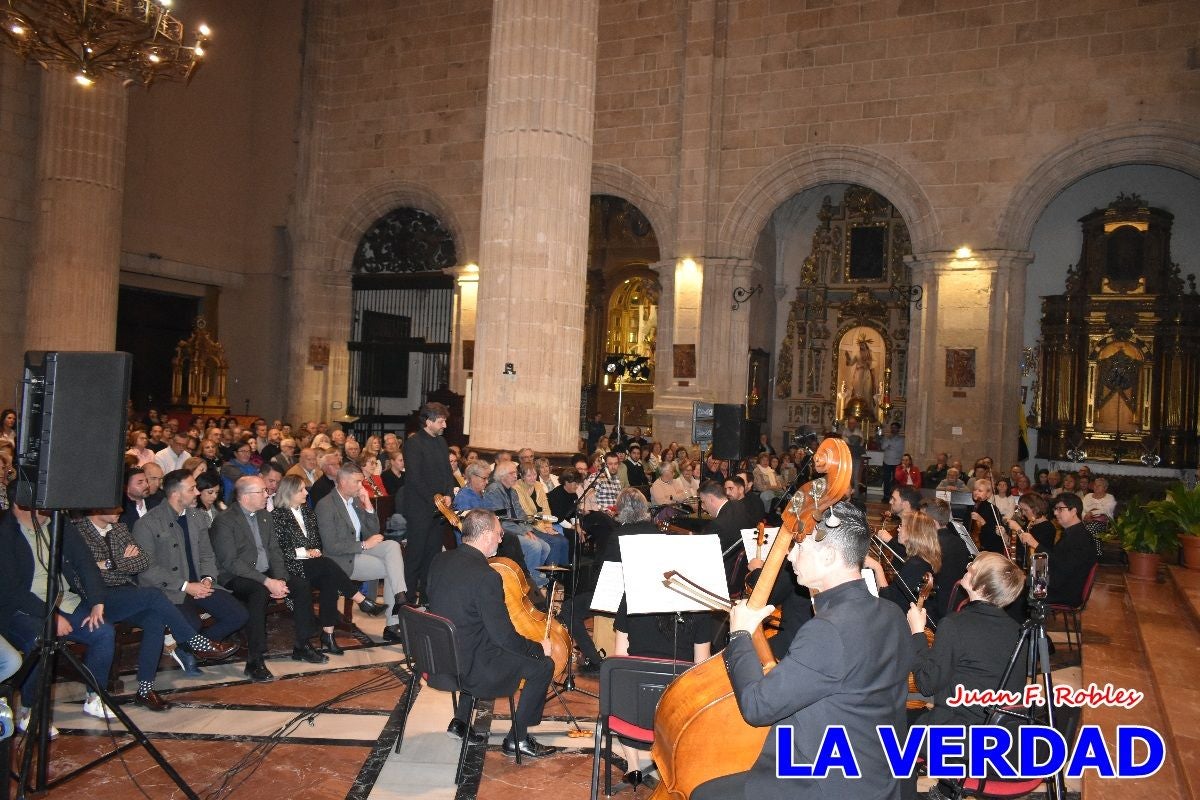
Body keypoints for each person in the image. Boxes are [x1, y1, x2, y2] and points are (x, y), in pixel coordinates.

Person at [692, 500, 912, 800]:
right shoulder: (892, 614)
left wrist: (741, 633)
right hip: (877, 775)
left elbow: (757, 707)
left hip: (823, 784)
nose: (791, 554)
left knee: (704, 793)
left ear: (830, 556)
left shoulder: (828, 630)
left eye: (800, 547)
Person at [427, 509, 561, 759]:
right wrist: (537, 648)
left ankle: (460, 723)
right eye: (499, 534)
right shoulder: (487, 576)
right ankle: (518, 739)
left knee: (478, 641)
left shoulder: (440, 560)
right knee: (543, 666)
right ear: (486, 534)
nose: (501, 540)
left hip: (438, 658)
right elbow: (505, 638)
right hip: (470, 667)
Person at [906, 552, 1028, 800]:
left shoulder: (955, 625)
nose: (968, 565)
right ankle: (945, 789)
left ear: (980, 585)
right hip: (1005, 737)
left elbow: (925, 684)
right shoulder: (1019, 630)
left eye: (973, 567)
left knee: (891, 726)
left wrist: (918, 633)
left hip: (963, 740)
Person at [210, 475, 329, 682]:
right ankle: (254, 660)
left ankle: (302, 645)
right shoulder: (225, 520)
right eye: (263, 491)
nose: (268, 494)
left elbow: (274, 550)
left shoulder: (265, 516)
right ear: (246, 496)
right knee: (259, 592)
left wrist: (280, 578)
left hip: (266, 573)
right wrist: (267, 582)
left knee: (300, 585)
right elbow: (230, 562)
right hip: (236, 576)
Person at [273, 475, 386, 653]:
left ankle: (328, 633)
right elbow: (277, 550)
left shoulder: (308, 513)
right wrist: (305, 553)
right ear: (289, 492)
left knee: (329, 580)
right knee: (327, 565)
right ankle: (360, 599)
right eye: (301, 490)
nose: (306, 492)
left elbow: (317, 541)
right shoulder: (277, 516)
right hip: (291, 566)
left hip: (312, 564)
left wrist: (315, 550)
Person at [315, 462, 409, 641]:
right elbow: (331, 545)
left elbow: (373, 531)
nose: (361, 486)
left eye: (362, 481)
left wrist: (368, 505)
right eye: (357, 482)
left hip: (359, 550)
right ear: (342, 482)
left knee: (393, 547)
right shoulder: (326, 505)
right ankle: (393, 623)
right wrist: (364, 545)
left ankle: (399, 596)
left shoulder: (356, 501)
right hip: (341, 558)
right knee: (392, 567)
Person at [400, 402, 457, 606]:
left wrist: (449, 494)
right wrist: (435, 498)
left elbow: (447, 474)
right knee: (416, 556)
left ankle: (426, 598)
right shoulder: (413, 443)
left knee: (432, 556)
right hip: (420, 509)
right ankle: (406, 600)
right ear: (429, 421)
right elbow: (415, 478)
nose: (444, 425)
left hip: (439, 508)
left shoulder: (441, 443)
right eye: (441, 421)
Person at [1047, 494, 1100, 607]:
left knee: (1015, 591)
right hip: (1061, 585)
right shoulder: (1072, 532)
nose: (1055, 513)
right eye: (1055, 509)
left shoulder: (1080, 537)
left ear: (1073, 511)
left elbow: (1064, 568)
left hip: (1066, 592)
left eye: (1060, 509)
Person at [1006, 491, 1056, 569]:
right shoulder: (1030, 523)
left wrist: (1017, 528)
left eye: (1025, 510)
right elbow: (1017, 544)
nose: (1023, 513)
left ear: (1036, 509)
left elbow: (1030, 546)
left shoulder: (1048, 527)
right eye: (1021, 510)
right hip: (1023, 564)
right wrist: (1004, 534)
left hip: (1037, 568)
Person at [969, 478, 1008, 556]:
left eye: (980, 491)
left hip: (990, 549)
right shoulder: (970, 508)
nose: (976, 492)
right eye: (975, 490)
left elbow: (996, 533)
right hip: (974, 547)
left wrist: (982, 521)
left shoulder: (992, 509)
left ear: (988, 494)